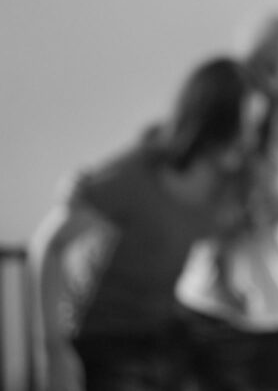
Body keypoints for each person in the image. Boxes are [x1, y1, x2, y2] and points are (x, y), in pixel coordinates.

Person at [29, 57, 264, 391]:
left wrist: (228, 283)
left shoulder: (223, 187)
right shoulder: (136, 175)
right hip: (105, 335)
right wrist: (54, 349)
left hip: (161, 331)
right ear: (214, 121)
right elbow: (50, 244)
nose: (250, 139)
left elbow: (217, 237)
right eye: (245, 126)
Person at [178, 14, 278, 391]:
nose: (268, 77)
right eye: (259, 64)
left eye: (277, 66)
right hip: (214, 303)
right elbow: (193, 201)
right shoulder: (229, 118)